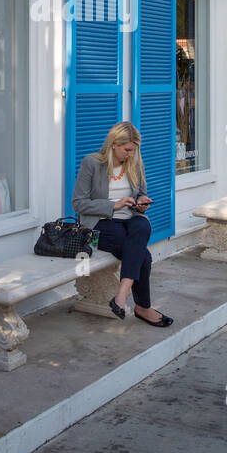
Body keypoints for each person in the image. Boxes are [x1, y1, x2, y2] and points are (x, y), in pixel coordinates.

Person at [71, 122, 173, 327]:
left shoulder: (134, 163)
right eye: (127, 150)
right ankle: (142, 307)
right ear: (114, 144)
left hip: (132, 219)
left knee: (142, 227)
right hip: (102, 222)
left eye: (134, 150)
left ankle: (120, 296)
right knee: (143, 255)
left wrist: (143, 202)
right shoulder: (91, 163)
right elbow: (78, 203)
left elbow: (142, 192)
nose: (131, 154)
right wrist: (113, 205)